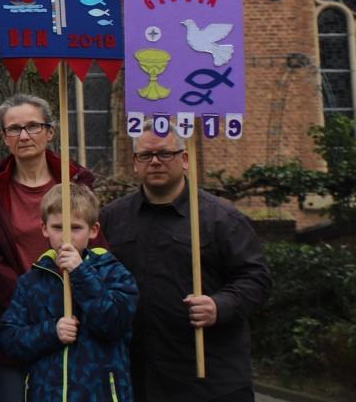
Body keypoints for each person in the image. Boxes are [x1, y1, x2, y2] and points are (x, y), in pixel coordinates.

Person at [101, 132, 271, 402]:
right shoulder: (111, 218)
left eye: (165, 153)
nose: (155, 161)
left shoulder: (222, 219)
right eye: (145, 155)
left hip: (210, 380)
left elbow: (256, 278)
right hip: (137, 377)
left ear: (184, 159)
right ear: (135, 163)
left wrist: (220, 305)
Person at [0, 94, 98, 402]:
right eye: (14, 129)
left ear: (50, 132)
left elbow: (94, 247)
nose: (24, 135)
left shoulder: (76, 181)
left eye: (33, 126)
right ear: (4, 137)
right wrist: (33, 300)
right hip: (15, 318)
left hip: (71, 318)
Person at [0, 183, 137, 402]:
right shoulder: (32, 281)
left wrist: (81, 274)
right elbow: (9, 340)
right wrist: (51, 332)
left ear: (93, 230)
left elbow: (114, 324)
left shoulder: (114, 273)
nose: (66, 237)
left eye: (75, 228)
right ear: (44, 228)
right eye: (57, 227)